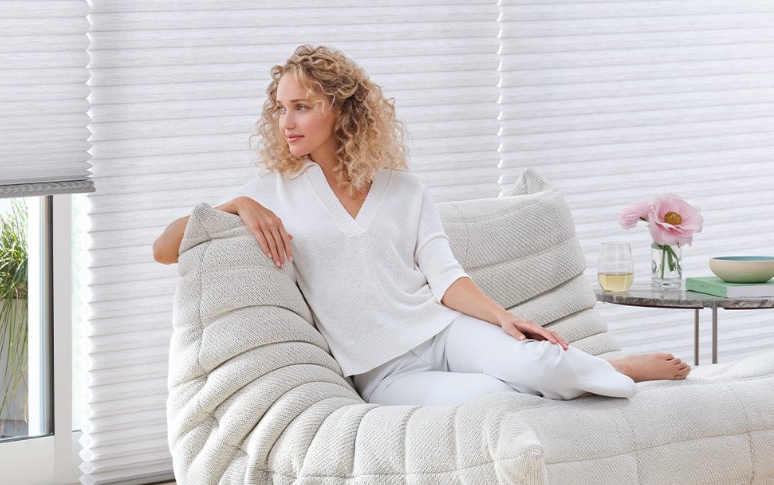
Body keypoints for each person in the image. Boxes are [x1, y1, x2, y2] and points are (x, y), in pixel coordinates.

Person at [152, 44, 689, 406]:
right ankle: (601, 375)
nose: (285, 122)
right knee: (494, 400)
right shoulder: (274, 194)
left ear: (340, 111)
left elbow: (445, 275)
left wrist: (502, 317)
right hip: (383, 372)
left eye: (301, 107)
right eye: (280, 109)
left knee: (546, 365)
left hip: (443, 331)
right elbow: (164, 247)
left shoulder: (403, 189)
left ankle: (614, 370)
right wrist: (239, 205)